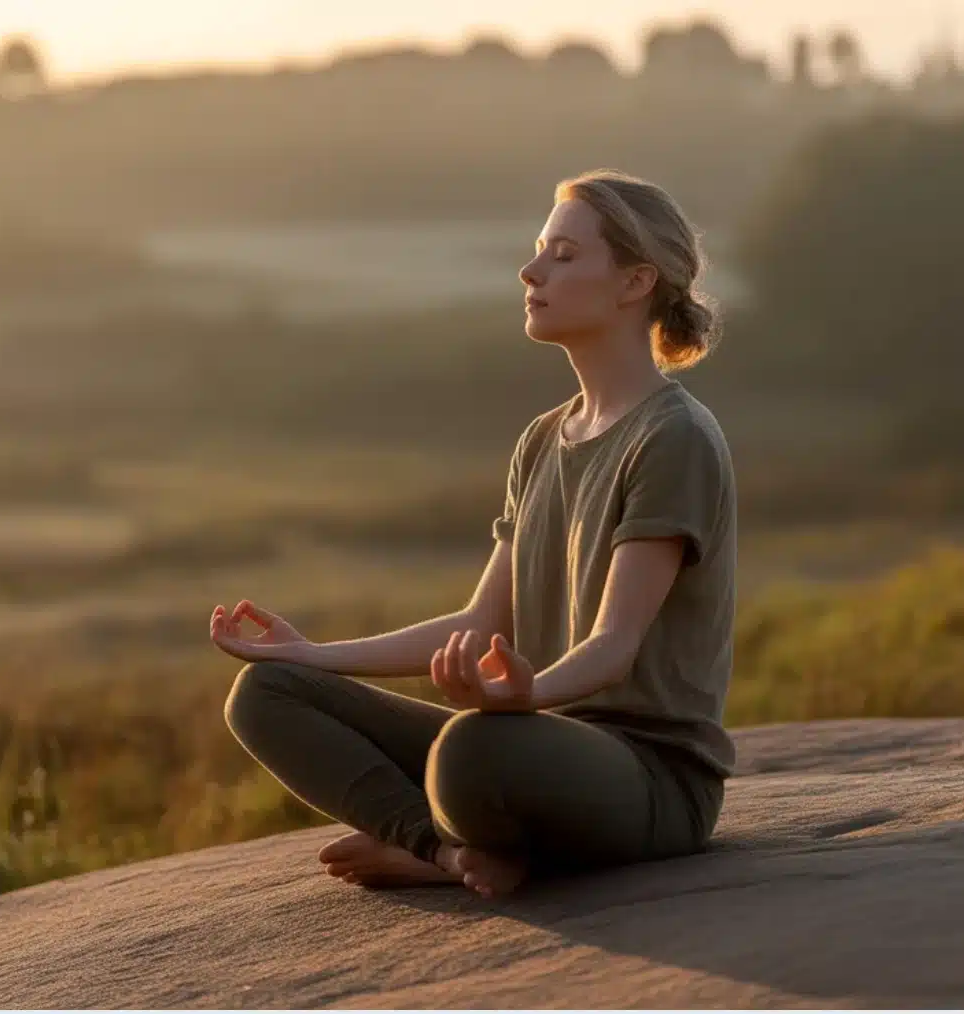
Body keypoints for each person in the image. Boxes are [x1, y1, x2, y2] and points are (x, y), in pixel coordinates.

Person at [210, 169, 736, 899]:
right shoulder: (543, 440)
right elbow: (482, 621)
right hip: (529, 742)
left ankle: (452, 839)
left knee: (468, 753)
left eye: (562, 255)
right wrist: (308, 654)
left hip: (647, 777)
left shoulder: (673, 437)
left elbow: (615, 647)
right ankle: (443, 853)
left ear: (633, 282)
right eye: (537, 252)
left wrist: (525, 700)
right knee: (266, 693)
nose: (530, 271)